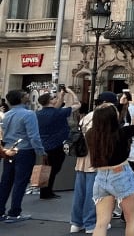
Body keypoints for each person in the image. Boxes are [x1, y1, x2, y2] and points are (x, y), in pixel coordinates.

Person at [86, 94, 134, 236]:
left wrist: (120, 105)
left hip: (101, 176)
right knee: (132, 220)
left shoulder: (91, 134)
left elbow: (107, 118)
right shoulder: (122, 132)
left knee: (101, 223)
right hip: (121, 173)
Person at [71, 91, 118, 234]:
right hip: (97, 158)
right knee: (94, 193)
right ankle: (90, 222)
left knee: (80, 192)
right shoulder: (107, 116)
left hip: (82, 158)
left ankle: (76, 222)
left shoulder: (87, 116)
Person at [0, 89, 45, 223]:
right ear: (21, 98)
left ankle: (1, 210)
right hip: (25, 150)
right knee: (20, 182)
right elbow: (34, 136)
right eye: (25, 94)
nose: (28, 95)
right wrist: (41, 151)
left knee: (6, 181)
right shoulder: (29, 114)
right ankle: (14, 212)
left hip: (8, 149)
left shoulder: (6, 115)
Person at [36, 86, 80, 200]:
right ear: (50, 101)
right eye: (53, 98)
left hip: (44, 143)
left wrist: (61, 96)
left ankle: (45, 191)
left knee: (47, 168)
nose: (56, 99)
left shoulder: (38, 114)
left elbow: (54, 108)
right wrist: (71, 92)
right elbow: (77, 104)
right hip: (57, 144)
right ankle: (47, 192)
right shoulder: (58, 113)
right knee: (54, 169)